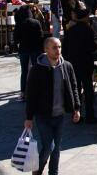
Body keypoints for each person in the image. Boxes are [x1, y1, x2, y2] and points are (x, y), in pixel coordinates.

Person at [24, 37, 80, 175]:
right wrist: (29, 117)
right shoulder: (37, 70)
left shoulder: (67, 66)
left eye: (59, 47)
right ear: (46, 49)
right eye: (54, 47)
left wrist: (76, 108)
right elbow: (31, 95)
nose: (58, 50)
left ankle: (53, 173)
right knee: (49, 146)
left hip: (59, 115)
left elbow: (74, 88)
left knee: (56, 148)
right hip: (43, 116)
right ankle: (37, 170)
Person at [63, 8, 97, 124]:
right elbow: (92, 47)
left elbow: (64, 48)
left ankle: (76, 116)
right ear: (84, 17)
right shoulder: (87, 30)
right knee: (88, 91)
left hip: (72, 64)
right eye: (87, 16)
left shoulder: (70, 30)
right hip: (85, 63)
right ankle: (90, 116)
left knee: (76, 90)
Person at [14, 5, 44, 101]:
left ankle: (23, 92)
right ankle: (38, 90)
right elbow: (41, 36)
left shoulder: (19, 23)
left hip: (23, 49)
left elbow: (16, 38)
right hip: (36, 49)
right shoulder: (36, 22)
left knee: (24, 71)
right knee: (36, 70)